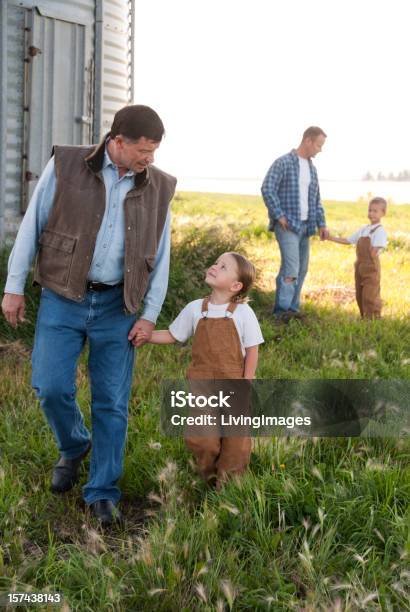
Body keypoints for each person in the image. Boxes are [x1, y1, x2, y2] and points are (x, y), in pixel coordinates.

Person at [1, 105, 177, 526]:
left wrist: (149, 314)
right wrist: (13, 285)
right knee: (50, 385)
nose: (148, 158)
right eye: (142, 149)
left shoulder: (159, 187)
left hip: (119, 306)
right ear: (117, 140)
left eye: (154, 151)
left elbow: (162, 256)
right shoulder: (65, 165)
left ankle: (102, 491)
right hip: (64, 298)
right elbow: (32, 225)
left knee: (112, 403)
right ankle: (75, 444)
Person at [135, 252, 264, 488]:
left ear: (236, 285)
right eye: (216, 262)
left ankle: (228, 488)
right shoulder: (196, 309)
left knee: (235, 442)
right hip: (202, 388)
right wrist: (147, 335)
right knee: (203, 439)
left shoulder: (244, 313)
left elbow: (252, 349)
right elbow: (174, 335)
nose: (215, 266)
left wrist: (247, 381)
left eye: (223, 267)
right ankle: (208, 476)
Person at [261, 126, 329, 321]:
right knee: (291, 269)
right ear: (308, 140)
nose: (320, 149)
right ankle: (281, 313)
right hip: (287, 226)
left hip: (306, 227)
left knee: (301, 269)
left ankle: (292, 309)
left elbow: (317, 200)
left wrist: (322, 224)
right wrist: (279, 214)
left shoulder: (312, 169)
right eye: (318, 144)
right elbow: (267, 188)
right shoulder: (283, 163)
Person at [327, 197, 388, 319]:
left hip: (371, 267)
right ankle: (364, 317)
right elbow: (348, 240)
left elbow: (376, 250)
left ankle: (373, 319)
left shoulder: (380, 231)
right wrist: (330, 237)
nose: (371, 213)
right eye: (370, 210)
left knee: (370, 295)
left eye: (375, 211)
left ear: (383, 213)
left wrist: (372, 252)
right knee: (359, 294)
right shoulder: (364, 229)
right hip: (359, 266)